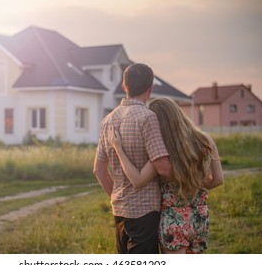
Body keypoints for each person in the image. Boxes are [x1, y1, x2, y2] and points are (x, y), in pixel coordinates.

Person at [109, 97, 224, 254]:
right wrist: (194, 183)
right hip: (199, 218)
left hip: (172, 220)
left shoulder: (162, 152)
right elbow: (218, 179)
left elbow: (137, 180)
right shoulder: (205, 140)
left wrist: (118, 149)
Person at [93, 63, 172, 254]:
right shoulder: (148, 118)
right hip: (145, 211)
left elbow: (99, 170)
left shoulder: (107, 121)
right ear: (150, 88)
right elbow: (164, 169)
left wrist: (119, 197)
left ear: (123, 86)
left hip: (119, 210)